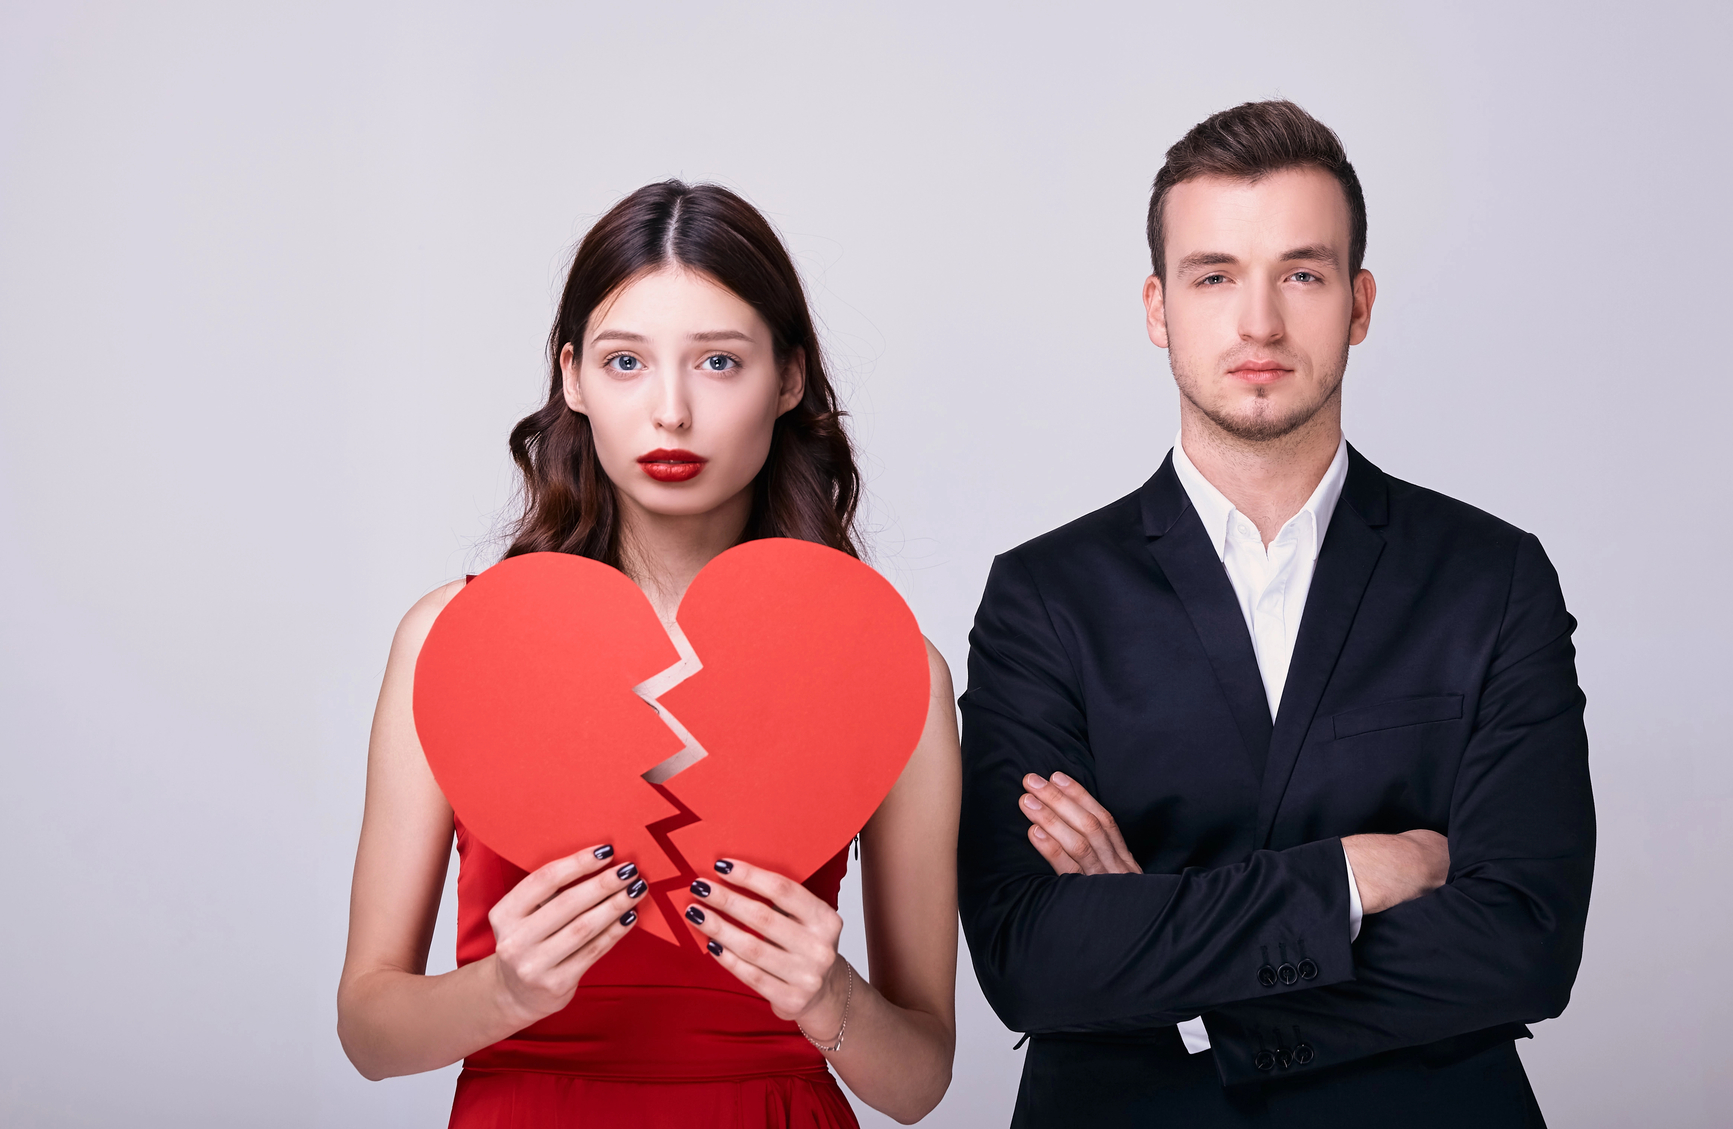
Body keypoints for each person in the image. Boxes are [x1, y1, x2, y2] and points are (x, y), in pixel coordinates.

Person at [958, 101, 1594, 1127]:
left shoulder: (1492, 578)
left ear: (1358, 302)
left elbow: (1522, 940)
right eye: (1215, 277)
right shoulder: (1044, 595)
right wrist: (1349, 874)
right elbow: (1033, 958)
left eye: (1301, 273)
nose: (1258, 324)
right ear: (1159, 307)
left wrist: (1167, 968)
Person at [337, 181, 960, 1128]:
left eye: (718, 360)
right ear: (573, 377)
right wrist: (506, 990)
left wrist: (828, 992)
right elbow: (368, 1030)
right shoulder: (452, 640)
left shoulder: (889, 669)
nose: (670, 411)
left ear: (789, 378)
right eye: (626, 361)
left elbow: (918, 1082)